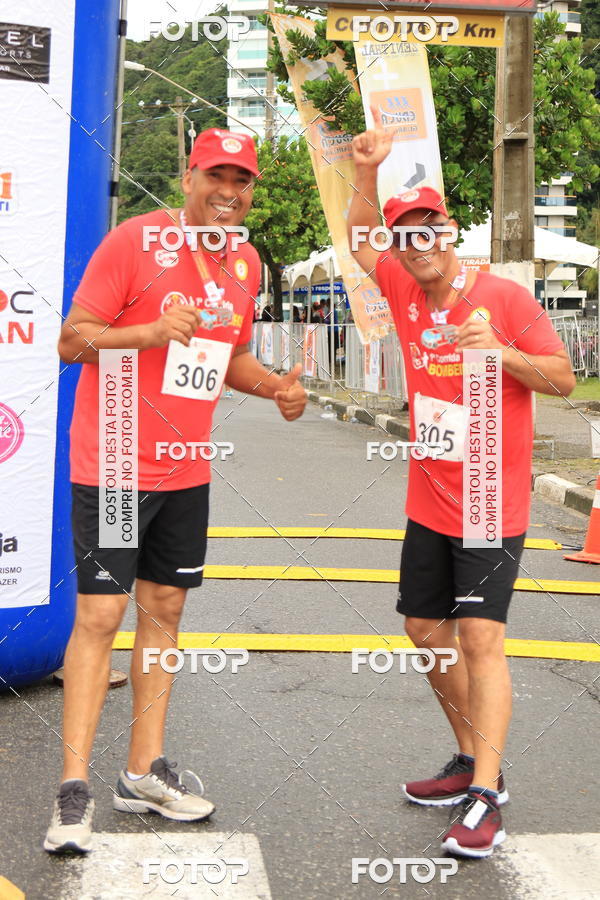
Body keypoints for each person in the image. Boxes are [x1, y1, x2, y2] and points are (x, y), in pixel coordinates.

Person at [45, 128, 307, 854]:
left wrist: (277, 390)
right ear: (189, 175)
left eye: (242, 181)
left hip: (186, 467)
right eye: (216, 177)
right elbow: (73, 339)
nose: (229, 193)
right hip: (120, 462)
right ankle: (73, 793)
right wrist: (151, 331)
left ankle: (143, 773)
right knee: (100, 618)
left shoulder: (247, 262)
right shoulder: (136, 242)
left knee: (165, 614)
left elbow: (234, 360)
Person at [348, 111, 575, 859]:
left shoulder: (504, 300)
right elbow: (358, 236)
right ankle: (471, 758)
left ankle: (486, 793)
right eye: (406, 234)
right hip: (428, 500)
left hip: (489, 499)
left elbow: (566, 381)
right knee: (422, 631)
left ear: (450, 234)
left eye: (430, 230)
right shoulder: (404, 291)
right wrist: (364, 173)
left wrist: (501, 351)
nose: (419, 245)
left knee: (481, 637)